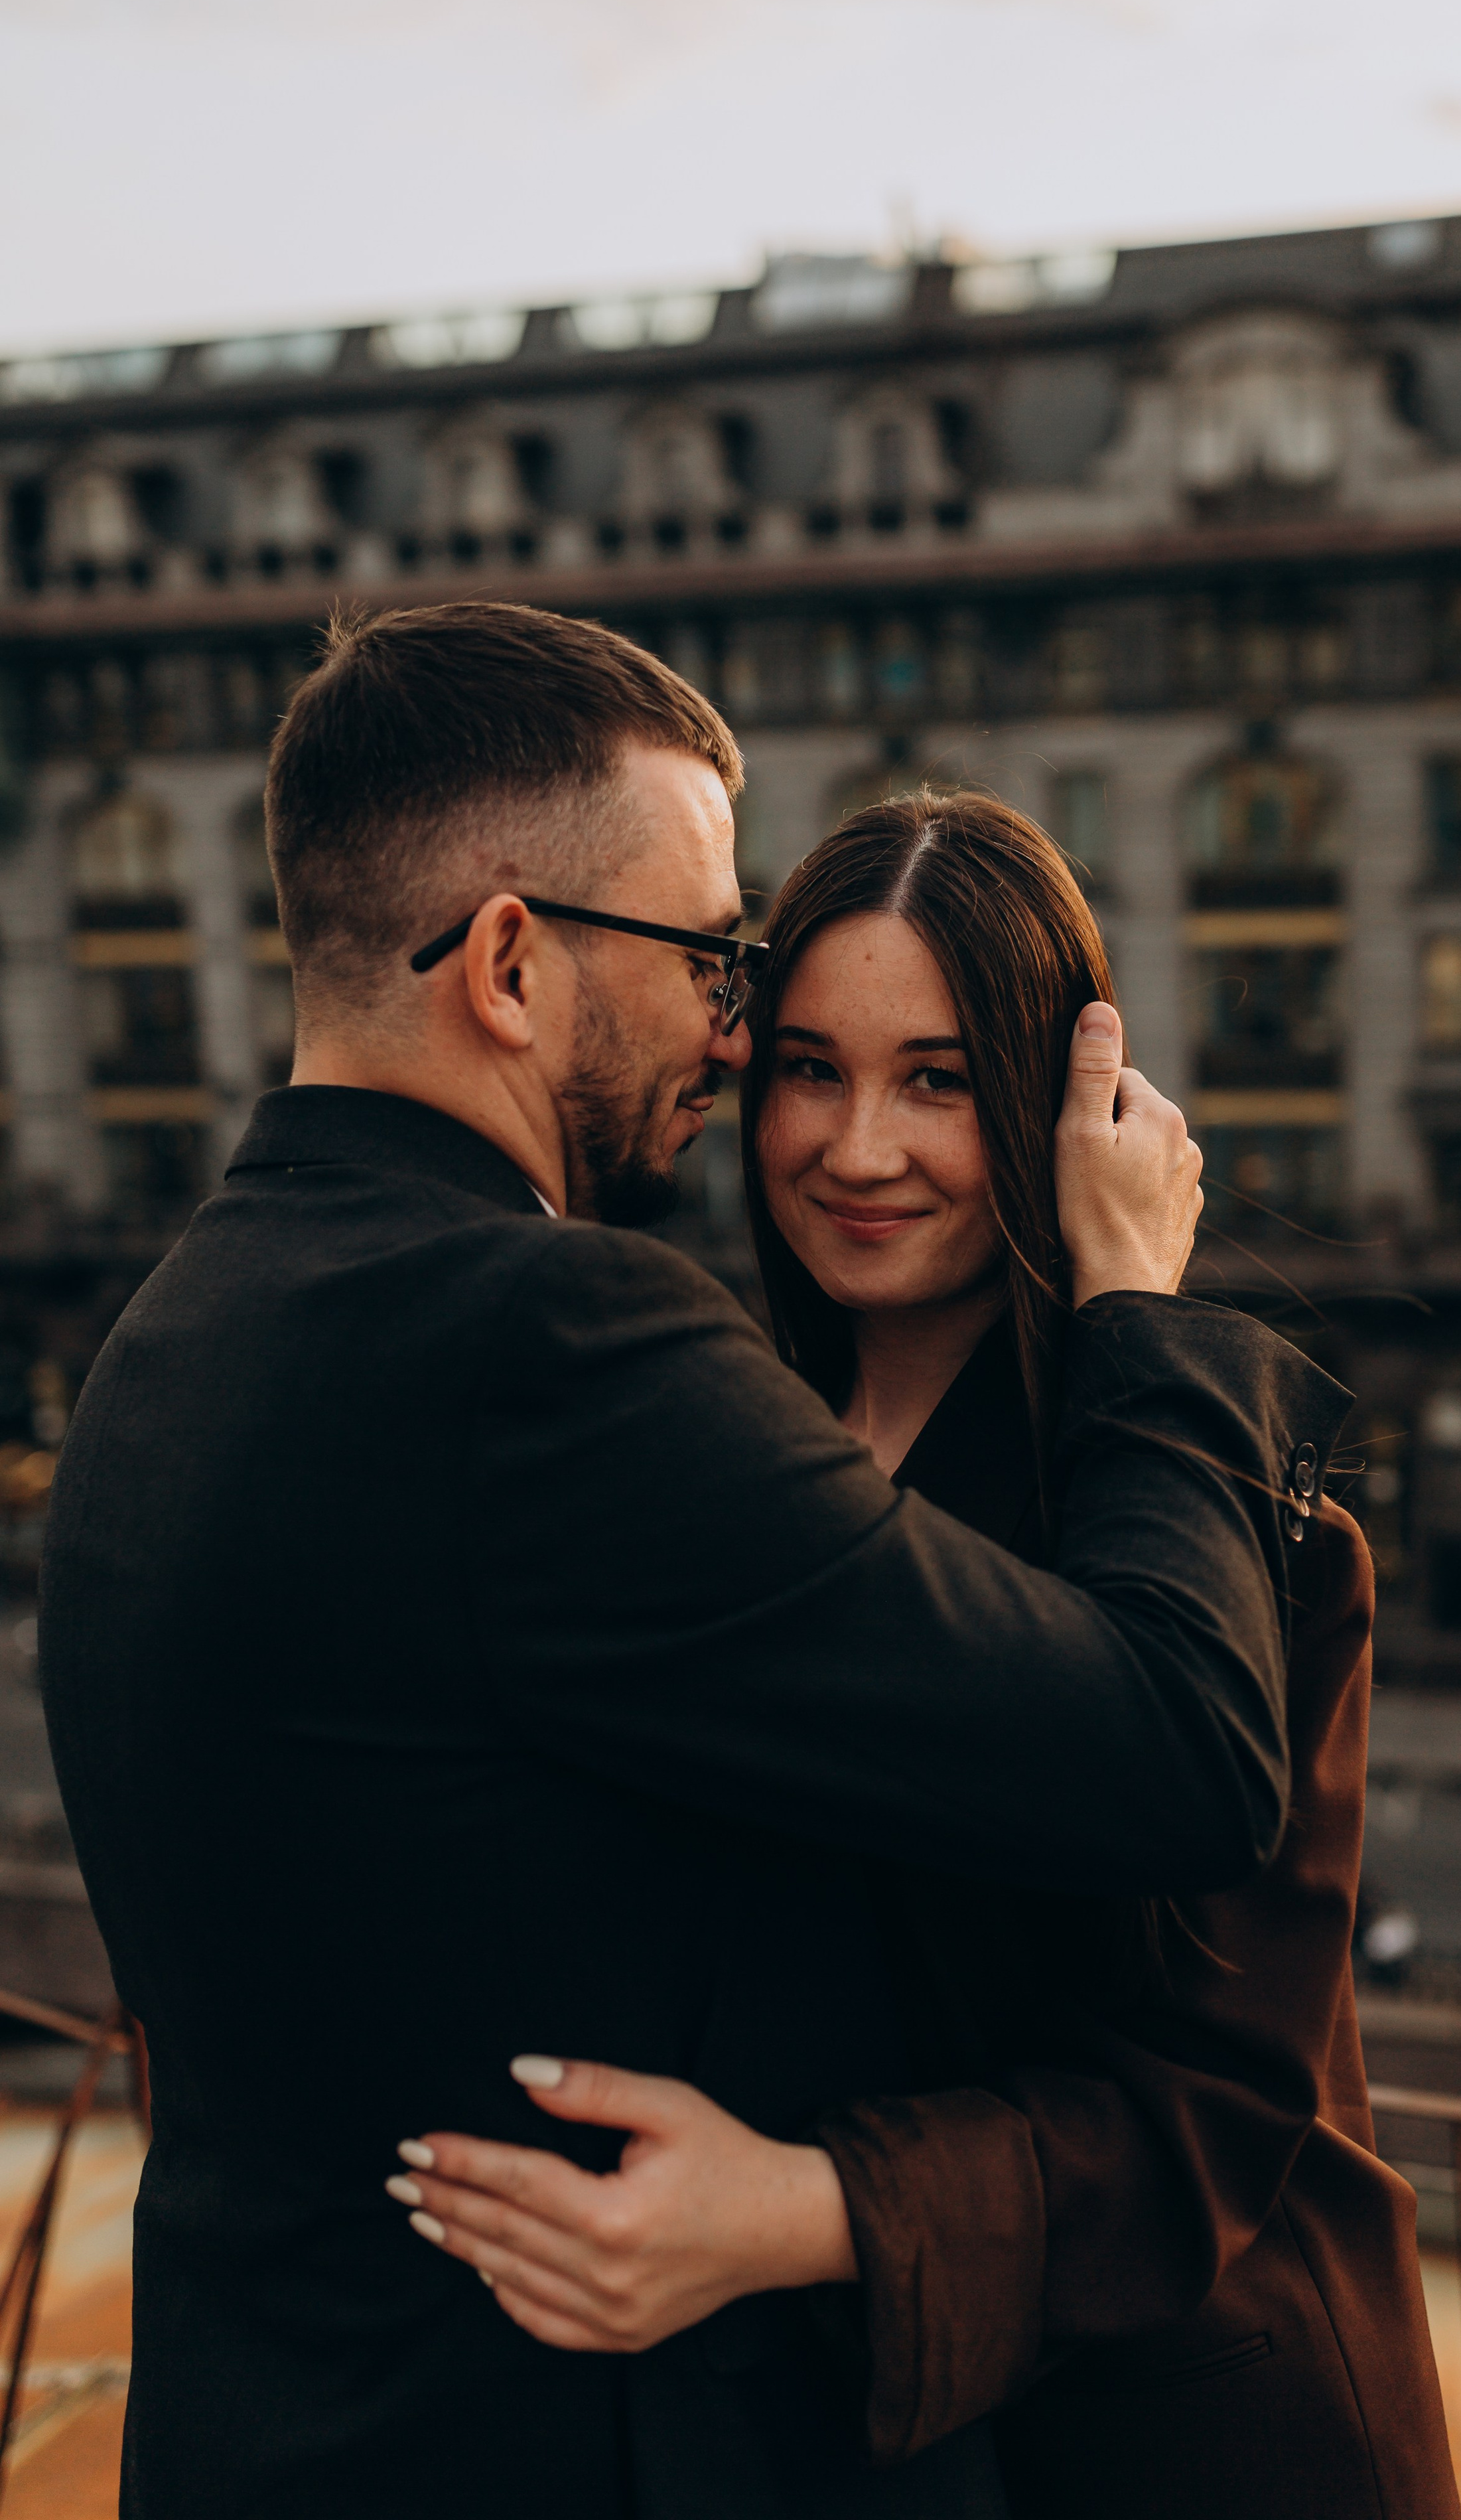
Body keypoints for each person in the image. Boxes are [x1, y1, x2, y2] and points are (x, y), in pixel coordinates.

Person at [40, 602, 1340, 2520]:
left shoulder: (165, 1337)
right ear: (506, 961)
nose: (731, 1037)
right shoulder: (556, 1346)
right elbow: (1178, 1744)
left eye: (938, 1076)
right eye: (714, 964)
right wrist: (1144, 1304)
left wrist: (815, 2205)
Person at [395, 793, 1461, 2519]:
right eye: (809, 1067)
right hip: (842, 2433)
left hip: (1190, 2441)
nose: (858, 1145)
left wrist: (802, 2205)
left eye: (940, 1080)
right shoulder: (712, 1456)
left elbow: (1218, 2107)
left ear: (1058, 1108)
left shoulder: (1239, 1537)